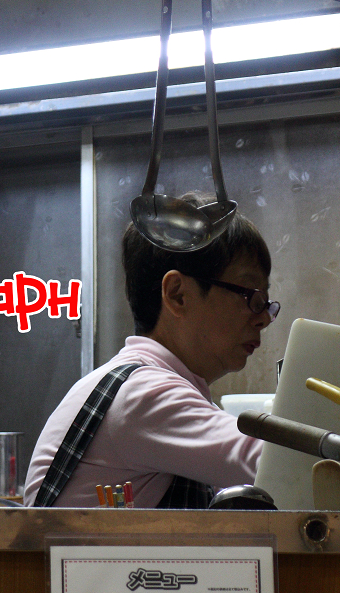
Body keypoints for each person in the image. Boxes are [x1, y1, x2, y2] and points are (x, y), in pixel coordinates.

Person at [24, 194, 279, 508]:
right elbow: (277, 464)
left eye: (266, 302)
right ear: (178, 295)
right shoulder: (144, 394)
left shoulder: (140, 386)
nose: (263, 318)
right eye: (251, 296)